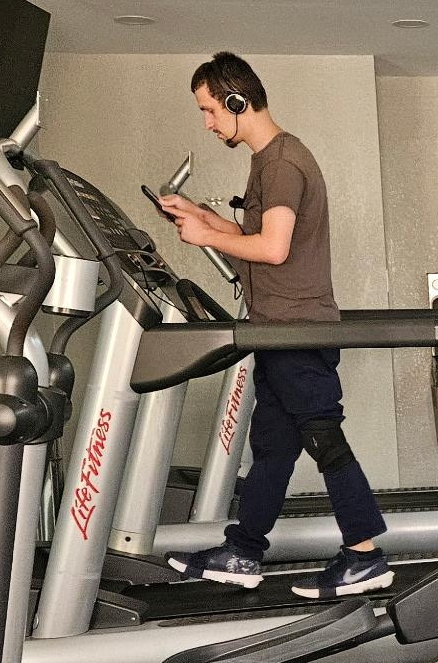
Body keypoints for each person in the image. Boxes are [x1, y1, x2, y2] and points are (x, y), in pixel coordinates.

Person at [156, 52, 393, 599]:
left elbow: (273, 247)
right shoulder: (270, 160)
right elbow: (261, 243)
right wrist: (203, 218)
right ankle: (243, 550)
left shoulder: (282, 163)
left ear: (238, 101)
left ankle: (364, 556)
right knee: (273, 446)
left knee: (323, 438)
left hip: (295, 329)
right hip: (277, 328)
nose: (209, 123)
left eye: (211, 110)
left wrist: (210, 238)